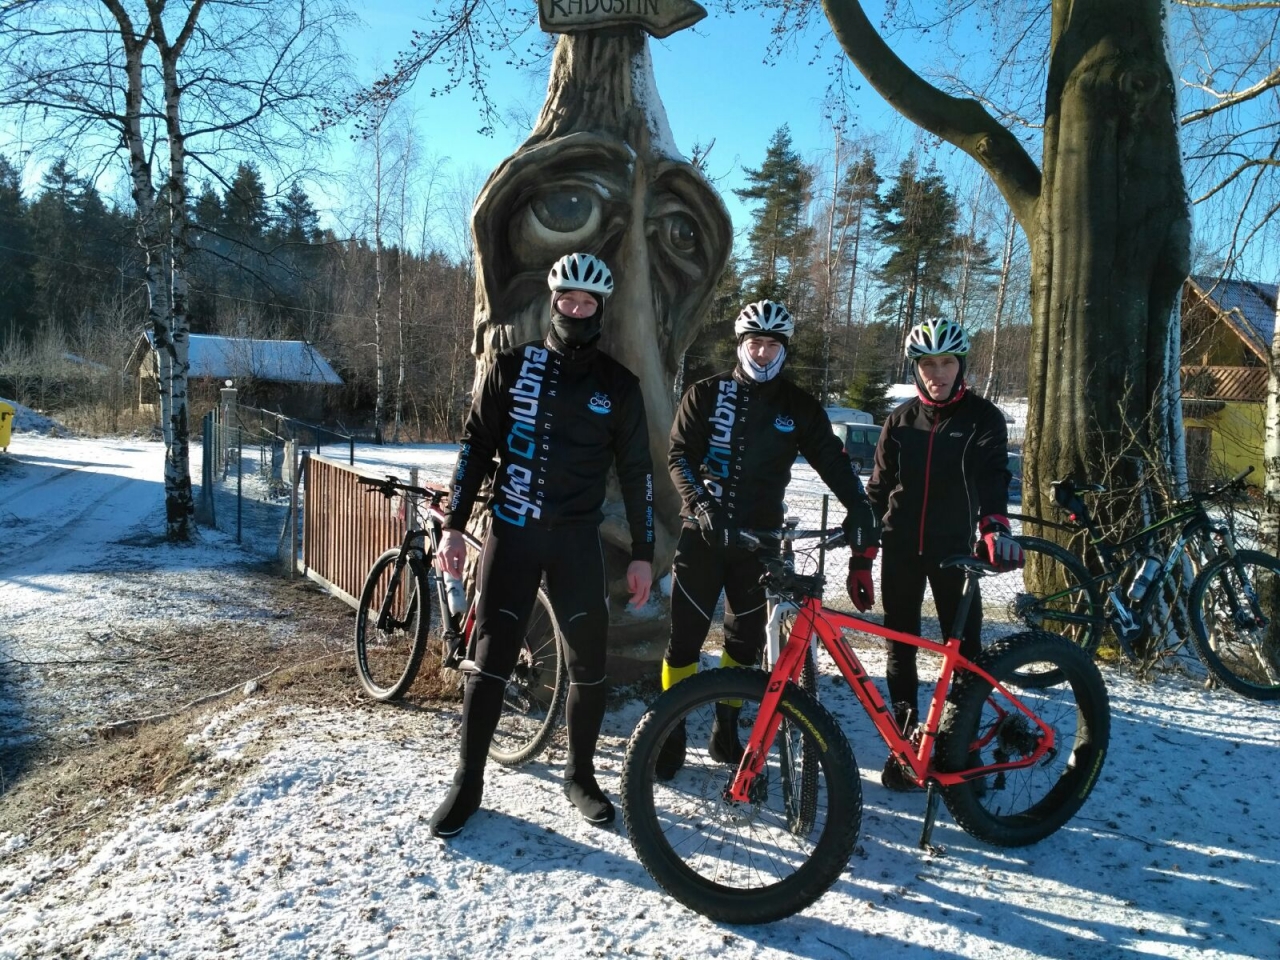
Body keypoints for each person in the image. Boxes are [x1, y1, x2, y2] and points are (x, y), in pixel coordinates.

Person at [429, 252, 655, 837]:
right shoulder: (510, 367)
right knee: (491, 659)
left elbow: (638, 475)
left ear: (600, 309)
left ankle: (580, 776)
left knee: (588, 665)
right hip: (513, 533)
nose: (576, 311)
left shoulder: (618, 385)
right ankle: (468, 782)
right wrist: (453, 525)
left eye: (587, 303)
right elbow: (475, 447)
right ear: (553, 302)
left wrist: (643, 553)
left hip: (576, 542)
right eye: (567, 300)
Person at [656, 299, 881, 778]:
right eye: (754, 343)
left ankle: (726, 729)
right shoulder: (706, 393)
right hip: (703, 535)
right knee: (685, 640)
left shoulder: (798, 405)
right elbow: (679, 457)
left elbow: (832, 460)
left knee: (744, 643)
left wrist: (860, 507)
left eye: (772, 345)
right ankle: (670, 731)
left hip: (760, 542)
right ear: (741, 344)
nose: (762, 353)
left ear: (784, 349)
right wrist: (702, 506)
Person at [866, 316, 1023, 792]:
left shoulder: (983, 418)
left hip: (956, 552)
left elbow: (994, 475)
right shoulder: (900, 420)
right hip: (900, 549)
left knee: (966, 655)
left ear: (961, 366)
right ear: (915, 368)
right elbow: (878, 489)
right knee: (901, 649)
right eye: (928, 364)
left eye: (947, 363)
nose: (938, 373)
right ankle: (904, 748)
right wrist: (862, 551)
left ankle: (962, 748)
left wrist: (994, 525)